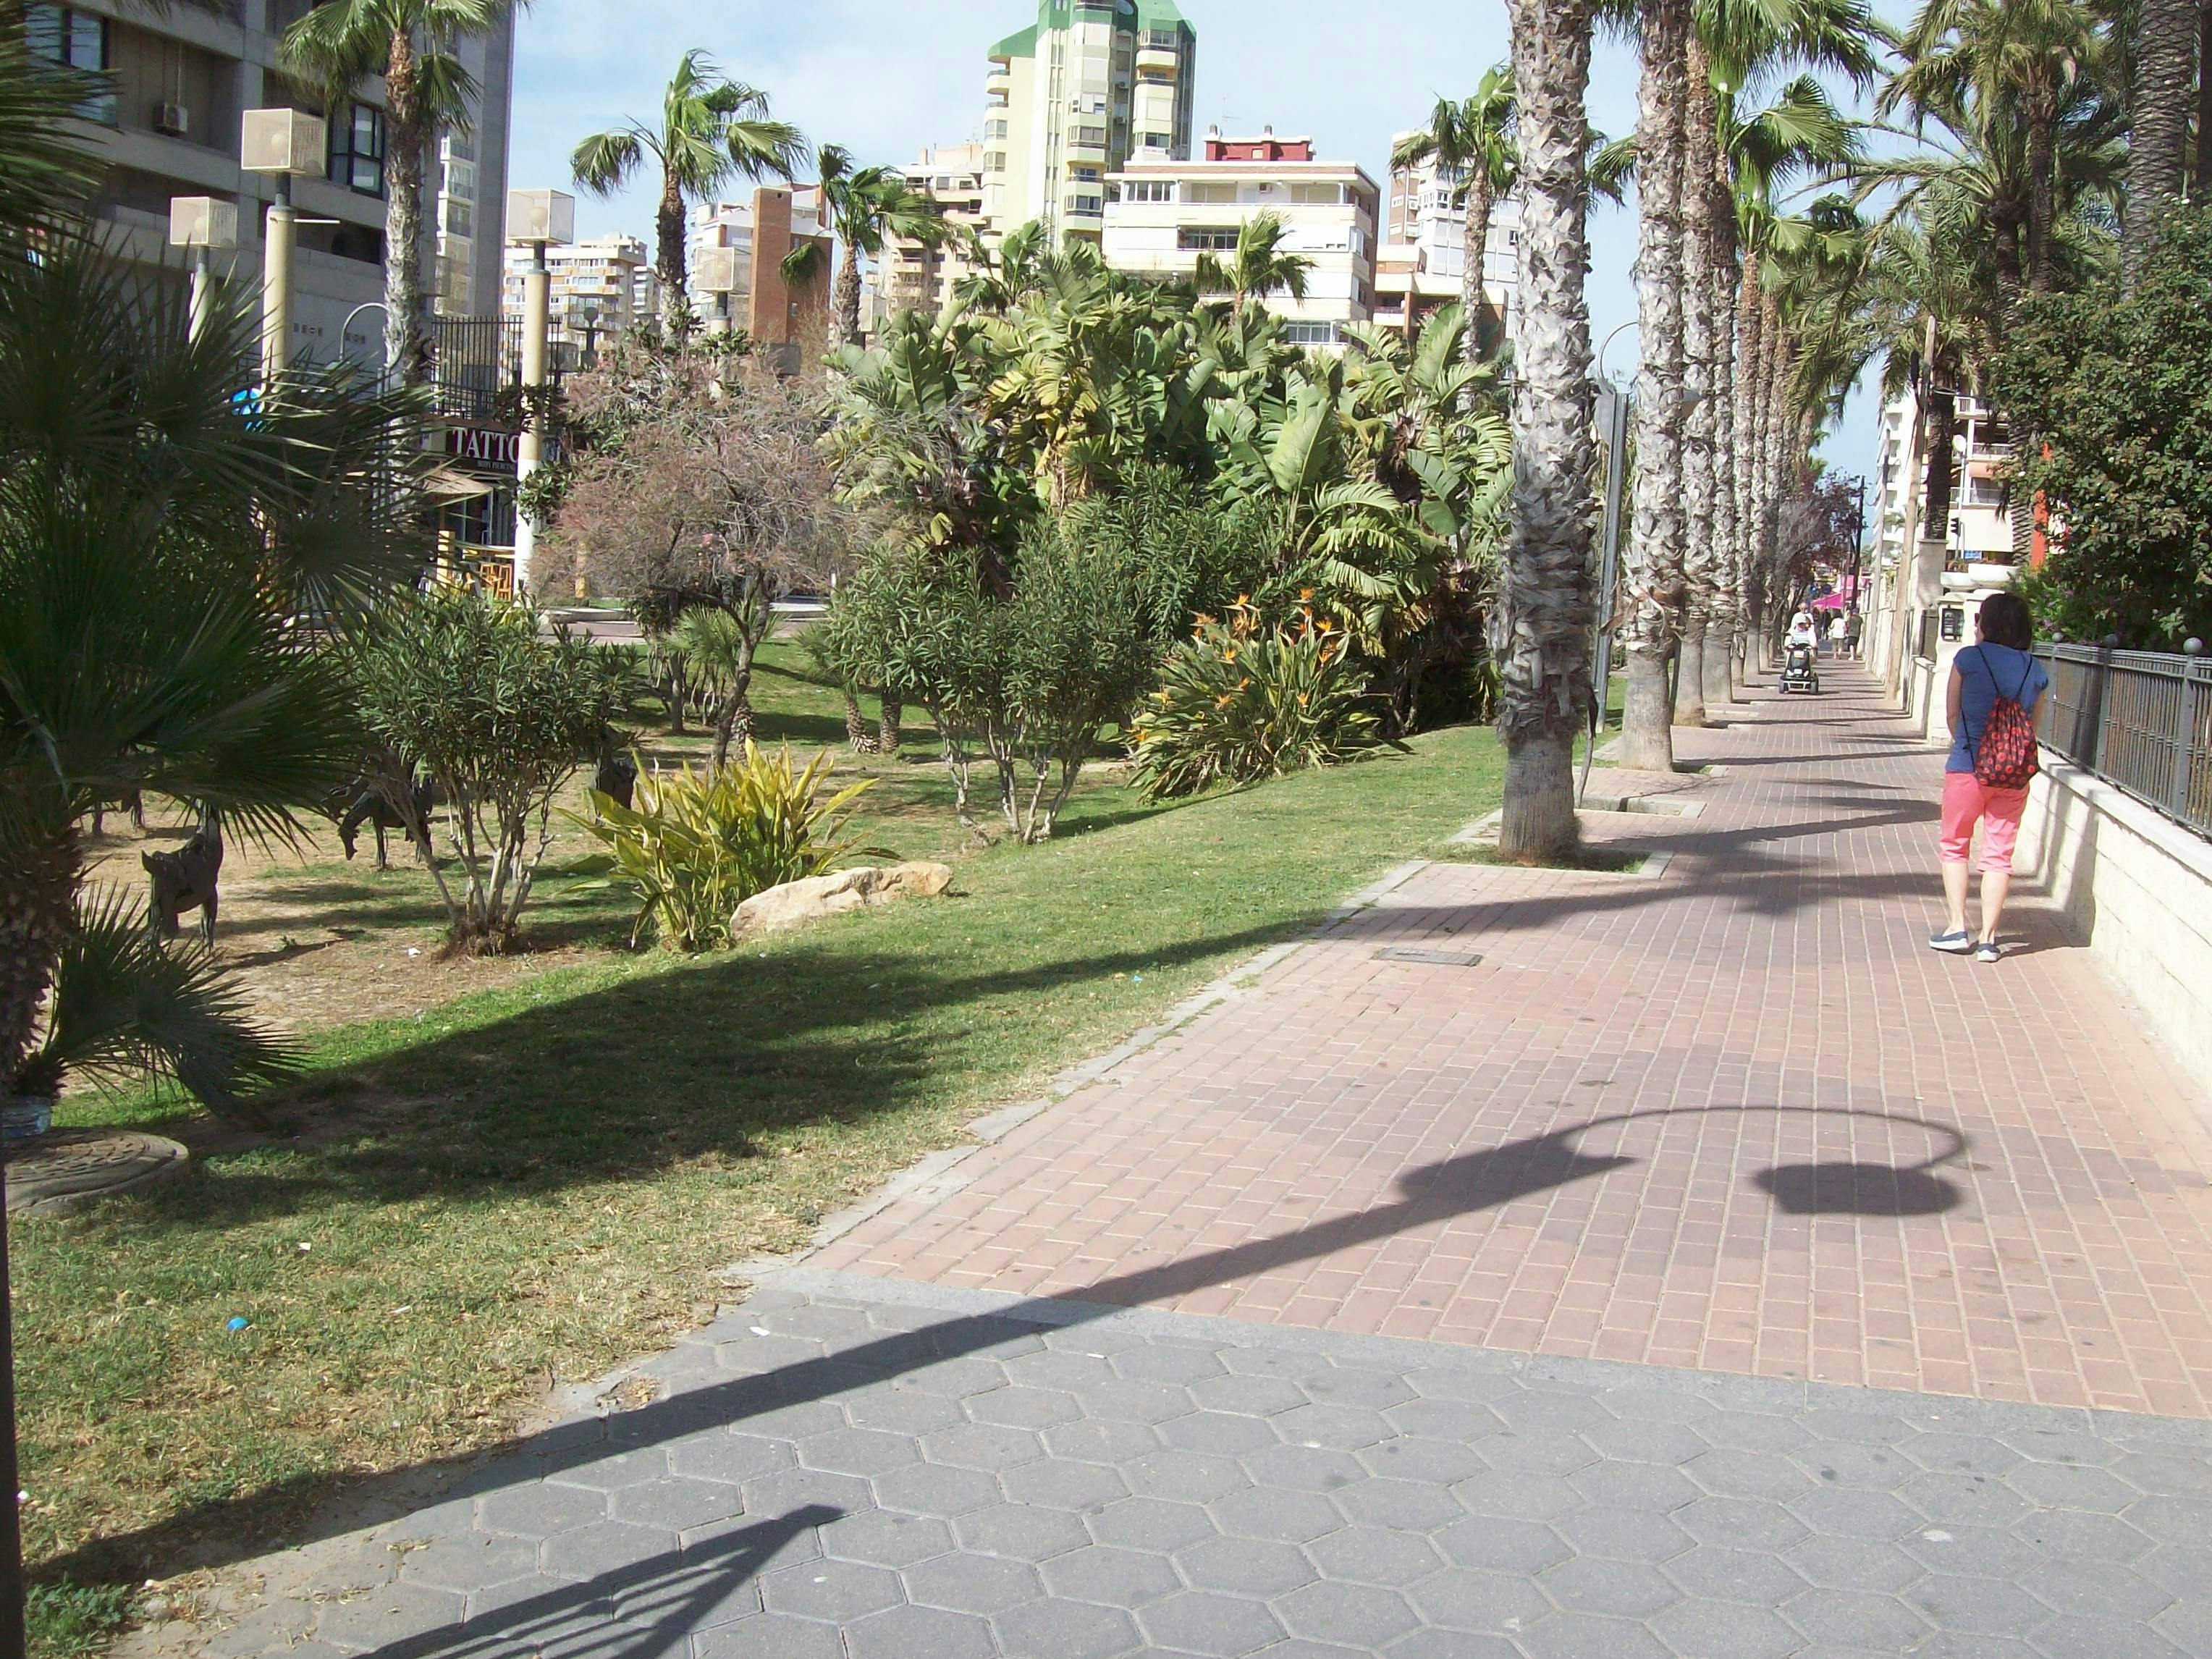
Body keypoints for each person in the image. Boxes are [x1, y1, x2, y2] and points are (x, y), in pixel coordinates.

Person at [1931, 591, 2049, 963]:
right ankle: (1989, 940)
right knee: (1999, 854)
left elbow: (1952, 714)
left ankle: (1956, 928)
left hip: (1967, 767)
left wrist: (1970, 746)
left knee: (1955, 845)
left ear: (1985, 623)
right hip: (2013, 775)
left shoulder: (1968, 659)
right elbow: (2032, 727)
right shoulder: (2036, 670)